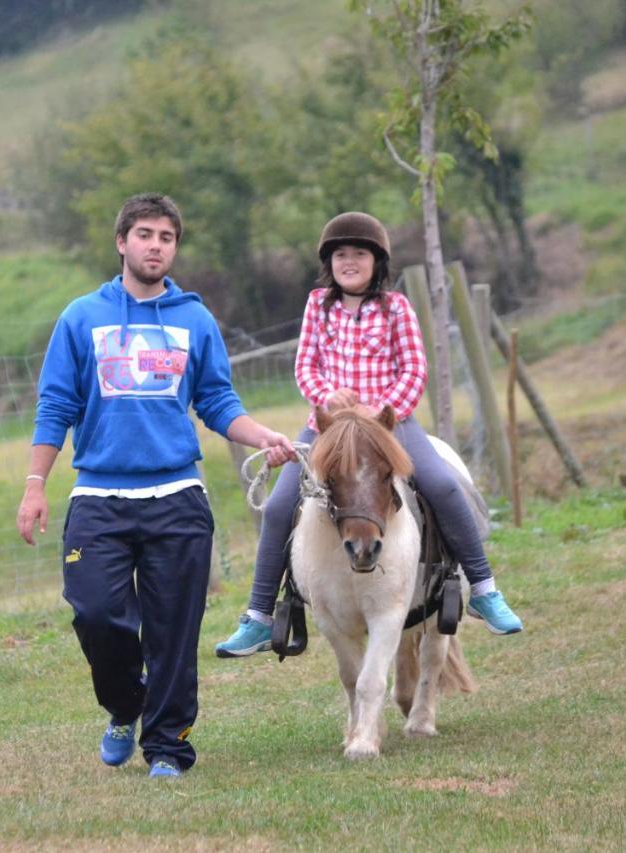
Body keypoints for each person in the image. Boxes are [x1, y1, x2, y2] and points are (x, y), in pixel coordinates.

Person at [17, 192, 296, 779]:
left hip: (177, 500)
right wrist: (35, 484)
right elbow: (55, 405)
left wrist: (263, 434)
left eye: (166, 238)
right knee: (95, 613)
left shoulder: (194, 320)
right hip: (99, 497)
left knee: (173, 633)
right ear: (122, 242)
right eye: (144, 234)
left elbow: (218, 402)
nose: (155, 245)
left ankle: (168, 747)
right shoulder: (80, 317)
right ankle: (125, 705)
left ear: (174, 248)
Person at [214, 211, 523, 658]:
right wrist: (330, 401)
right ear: (329, 263)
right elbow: (306, 367)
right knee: (281, 503)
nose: (350, 262)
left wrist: (383, 409)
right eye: (341, 255)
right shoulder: (317, 305)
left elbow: (415, 368)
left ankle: (484, 588)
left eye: (360, 254)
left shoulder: (396, 307)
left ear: (378, 262)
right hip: (330, 426)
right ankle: (260, 615)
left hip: (388, 424)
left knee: (441, 483)